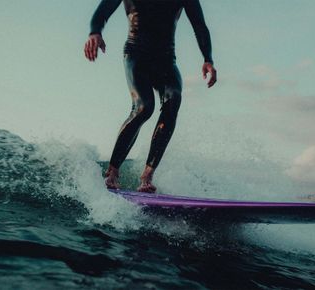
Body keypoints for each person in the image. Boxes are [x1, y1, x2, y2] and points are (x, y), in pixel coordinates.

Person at [84, 0, 217, 193]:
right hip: (136, 53)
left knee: (174, 99)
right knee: (144, 107)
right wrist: (95, 32)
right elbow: (104, 10)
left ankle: (147, 176)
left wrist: (208, 59)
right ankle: (112, 172)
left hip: (166, 59)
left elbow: (199, 25)